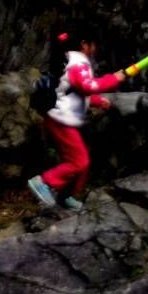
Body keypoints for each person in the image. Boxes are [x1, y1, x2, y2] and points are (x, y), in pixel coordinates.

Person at [27, 29, 126, 212]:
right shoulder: (78, 62)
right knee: (80, 162)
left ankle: (65, 196)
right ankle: (43, 182)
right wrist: (115, 78)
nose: (95, 48)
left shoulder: (68, 59)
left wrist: (97, 101)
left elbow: (70, 90)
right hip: (61, 120)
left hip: (60, 117)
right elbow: (87, 86)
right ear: (84, 44)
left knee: (78, 162)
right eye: (93, 44)